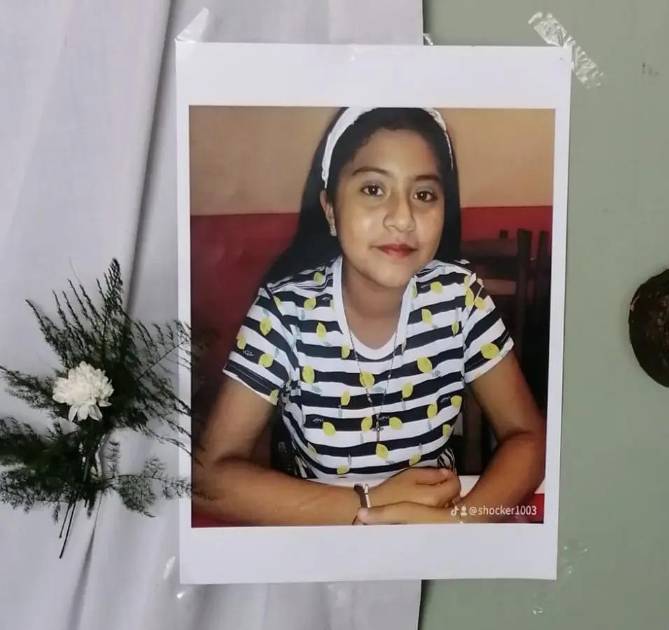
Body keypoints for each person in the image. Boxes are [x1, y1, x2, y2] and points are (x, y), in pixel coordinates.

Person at [193, 107, 546, 525]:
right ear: (330, 209)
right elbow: (206, 480)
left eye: (424, 195)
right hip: (326, 534)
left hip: (434, 528)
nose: (403, 218)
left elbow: (530, 438)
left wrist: (460, 523)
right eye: (374, 189)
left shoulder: (460, 297)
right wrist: (368, 503)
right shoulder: (285, 312)